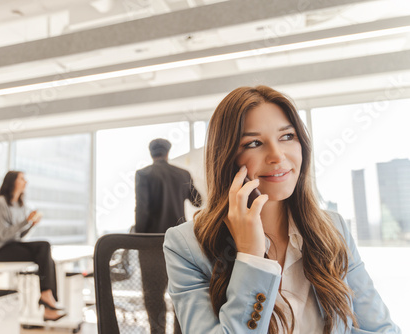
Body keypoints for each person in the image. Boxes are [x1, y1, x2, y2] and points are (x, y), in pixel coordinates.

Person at [163, 86, 401, 333]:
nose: (277, 155)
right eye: (254, 143)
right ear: (227, 158)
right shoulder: (186, 246)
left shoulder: (333, 228)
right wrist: (251, 258)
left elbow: (380, 328)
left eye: (287, 136)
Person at [134, 138, 202, 334]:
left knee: (153, 293)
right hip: (180, 244)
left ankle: (158, 332)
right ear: (167, 152)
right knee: (181, 292)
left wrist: (138, 240)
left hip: (151, 245)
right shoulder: (182, 174)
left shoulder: (144, 174)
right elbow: (198, 202)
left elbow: (142, 210)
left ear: (151, 153)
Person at [0, 171, 66, 322]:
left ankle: (47, 300)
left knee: (45, 251)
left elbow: (19, 236)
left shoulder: (20, 204)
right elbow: (3, 235)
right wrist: (26, 221)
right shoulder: (0, 203)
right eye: (22, 179)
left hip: (14, 245)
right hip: (0, 250)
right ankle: (47, 300)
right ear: (12, 182)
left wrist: (31, 225)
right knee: (44, 251)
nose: (26, 182)